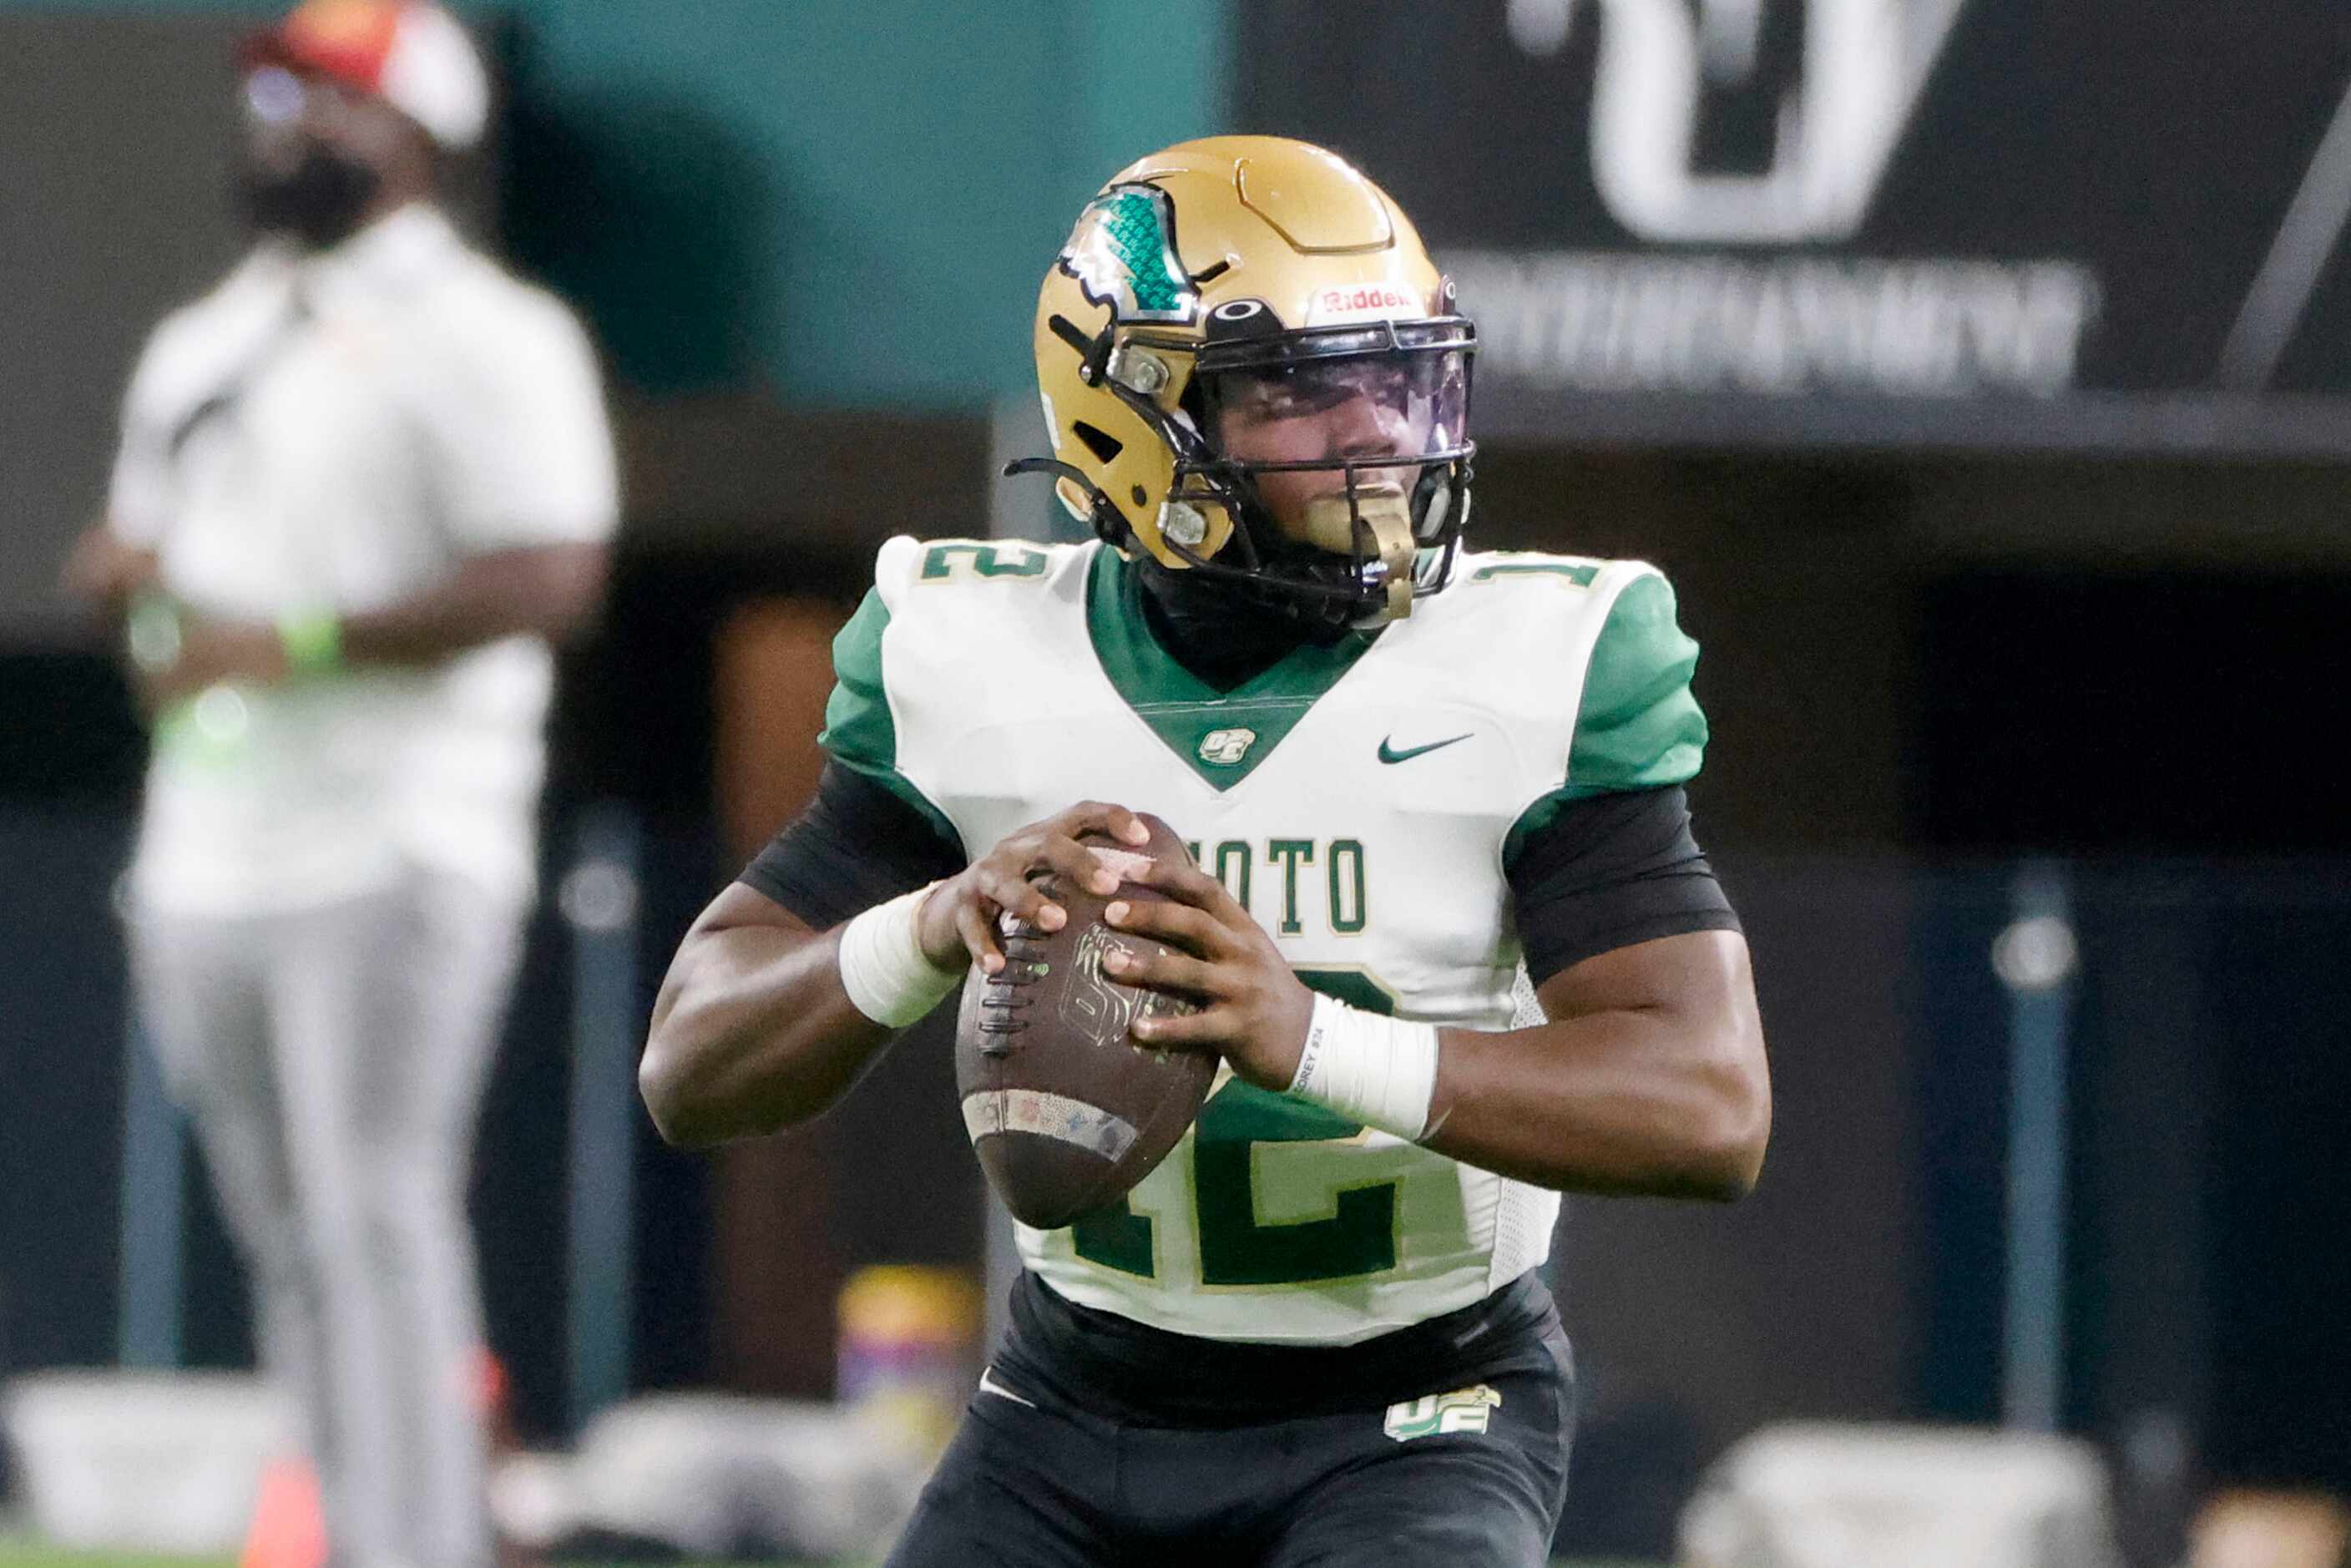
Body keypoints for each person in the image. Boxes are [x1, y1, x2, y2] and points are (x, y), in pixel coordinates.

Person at [641, 135, 1769, 1567]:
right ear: (1132, 417)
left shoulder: (1539, 662)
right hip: (1073, 1392)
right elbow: (691, 1063)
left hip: (1420, 1396)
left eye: (1396, 373)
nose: (1374, 429)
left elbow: (1710, 1102)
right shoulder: (972, 654)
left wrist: (1309, 1036)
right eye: (1302, 388)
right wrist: (928, 924)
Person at [61, 3, 619, 1565]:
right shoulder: (211, 336)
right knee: (289, 1241)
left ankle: (423, 1544)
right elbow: (174, 588)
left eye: (329, 98)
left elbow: (552, 570)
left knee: (378, 1221)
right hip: (208, 848)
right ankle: (355, 1526)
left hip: (394, 837)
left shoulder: (490, 335)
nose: (286, 124)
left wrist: (290, 638)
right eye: (275, 91)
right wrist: (143, 597)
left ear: (420, 131)